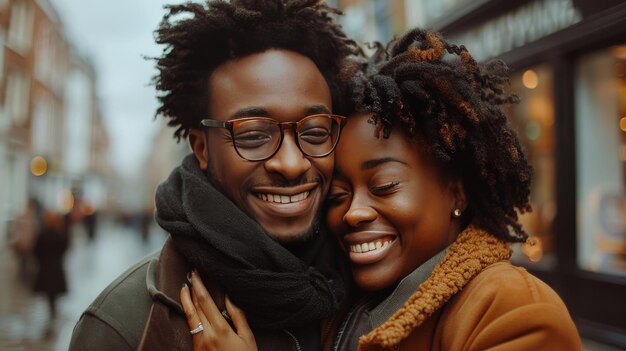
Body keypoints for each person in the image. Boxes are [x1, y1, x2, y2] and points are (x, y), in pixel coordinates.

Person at [182, 28, 583, 351]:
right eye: (338, 196)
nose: (353, 212)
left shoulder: (509, 307)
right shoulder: (338, 303)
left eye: (385, 186)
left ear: (457, 192)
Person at [68, 1, 357, 350]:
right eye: (253, 134)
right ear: (201, 149)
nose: (292, 163)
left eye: (314, 131)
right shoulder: (125, 326)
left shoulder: (374, 282)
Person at [33, 211, 69, 322]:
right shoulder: (61, 235)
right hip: (56, 267)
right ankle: (53, 309)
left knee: (48, 291)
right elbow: (64, 249)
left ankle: (51, 309)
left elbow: (36, 251)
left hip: (45, 267)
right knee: (54, 290)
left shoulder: (42, 235)